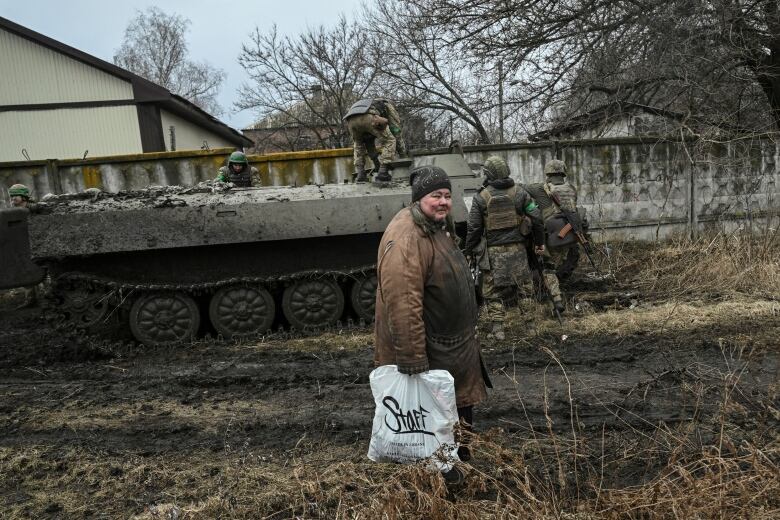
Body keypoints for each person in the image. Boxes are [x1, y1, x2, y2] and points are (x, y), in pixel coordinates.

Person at [374, 165, 491, 479]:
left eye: (447, 196)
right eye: (435, 196)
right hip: (432, 350)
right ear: (418, 198)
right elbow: (402, 302)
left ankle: (457, 460)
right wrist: (413, 360)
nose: (443, 202)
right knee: (431, 416)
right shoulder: (407, 237)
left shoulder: (433, 225)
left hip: (451, 346)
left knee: (455, 411)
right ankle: (441, 474)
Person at [463, 156, 544, 341]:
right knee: (524, 288)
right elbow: (537, 218)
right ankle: (530, 327)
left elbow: (474, 228)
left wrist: (468, 251)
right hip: (519, 250)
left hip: (492, 253)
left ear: (488, 174)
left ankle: (498, 330)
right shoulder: (521, 193)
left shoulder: (480, 197)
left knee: (492, 292)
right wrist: (540, 242)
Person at [525, 159, 586, 314]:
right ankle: (555, 289)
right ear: (563, 173)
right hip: (569, 234)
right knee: (558, 264)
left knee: (548, 268)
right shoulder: (572, 188)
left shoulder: (540, 189)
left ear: (547, 173)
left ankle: (556, 300)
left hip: (551, 236)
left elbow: (520, 189)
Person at [343, 98, 404, 183]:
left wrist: (377, 163)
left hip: (350, 120)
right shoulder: (387, 104)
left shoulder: (371, 102)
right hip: (367, 116)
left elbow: (370, 143)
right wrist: (403, 154)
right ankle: (383, 172)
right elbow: (396, 130)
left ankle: (361, 173)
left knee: (359, 145)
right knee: (390, 140)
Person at [7, 184, 38, 308]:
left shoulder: (34, 208)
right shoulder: (11, 211)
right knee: (25, 272)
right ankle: (30, 299)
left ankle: (49, 297)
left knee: (43, 272)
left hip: (36, 244)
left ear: (24, 197)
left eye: (16, 195)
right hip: (22, 245)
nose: (13, 198)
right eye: (12, 196)